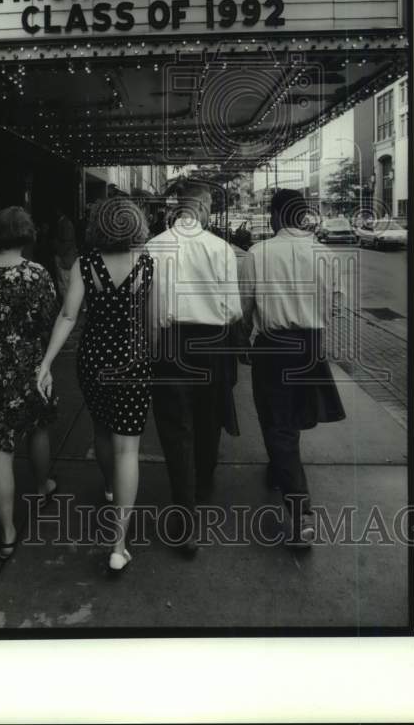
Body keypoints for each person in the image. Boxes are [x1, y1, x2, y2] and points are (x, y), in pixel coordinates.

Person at [37, 197, 154, 573]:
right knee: (129, 450)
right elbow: (157, 318)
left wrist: (46, 361)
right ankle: (119, 545)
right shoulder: (149, 263)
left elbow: (69, 315)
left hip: (94, 359)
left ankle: (108, 486)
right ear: (136, 224)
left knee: (102, 428)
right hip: (134, 360)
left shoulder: (84, 264)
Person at [239, 188, 346, 547]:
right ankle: (279, 469)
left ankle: (301, 515)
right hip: (310, 346)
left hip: (274, 348)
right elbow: (334, 308)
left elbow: (246, 307)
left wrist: (242, 343)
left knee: (277, 422)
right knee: (292, 416)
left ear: (275, 216)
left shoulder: (258, 254)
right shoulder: (326, 255)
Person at [146, 181, 243, 556]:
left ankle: (184, 517)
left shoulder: (154, 247)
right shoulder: (221, 248)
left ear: (178, 208)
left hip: (172, 345)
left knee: (176, 427)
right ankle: (203, 484)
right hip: (213, 343)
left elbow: (151, 310)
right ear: (203, 210)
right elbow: (233, 309)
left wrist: (155, 348)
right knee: (209, 416)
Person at [0, 207, 59, 560]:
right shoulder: (36, 274)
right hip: (29, 362)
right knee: (38, 427)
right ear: (28, 235)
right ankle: (42, 486)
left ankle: (6, 532)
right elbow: (50, 320)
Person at [51, 206, 78, 300]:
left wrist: (60, 254)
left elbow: (68, 242)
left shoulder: (66, 223)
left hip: (65, 258)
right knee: (63, 283)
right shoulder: (63, 222)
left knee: (66, 283)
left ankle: (69, 305)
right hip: (63, 256)